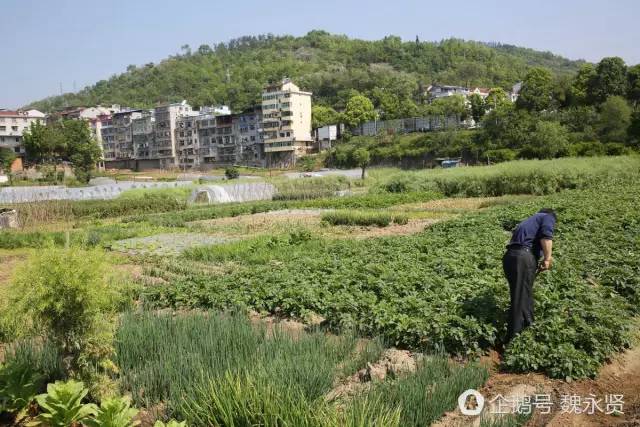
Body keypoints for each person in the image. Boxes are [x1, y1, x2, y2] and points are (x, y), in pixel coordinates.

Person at [503, 208, 556, 341]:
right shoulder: (547, 217)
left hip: (510, 257)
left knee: (522, 295)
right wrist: (548, 259)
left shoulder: (528, 221)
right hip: (523, 257)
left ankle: (529, 327)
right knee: (521, 297)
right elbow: (546, 237)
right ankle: (514, 339)